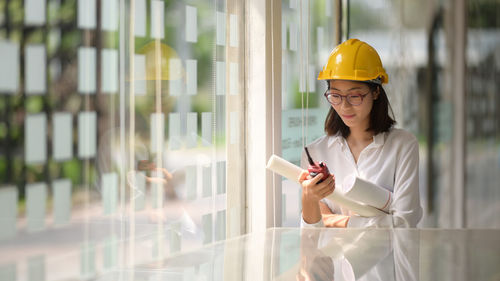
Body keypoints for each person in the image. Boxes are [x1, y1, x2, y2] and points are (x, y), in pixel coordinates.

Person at [299, 38, 422, 228]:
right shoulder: (315, 153)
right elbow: (313, 234)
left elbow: (405, 221)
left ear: (375, 92)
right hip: (332, 258)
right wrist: (309, 200)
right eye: (335, 95)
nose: (344, 106)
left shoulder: (403, 146)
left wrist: (338, 221)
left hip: (388, 258)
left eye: (355, 96)